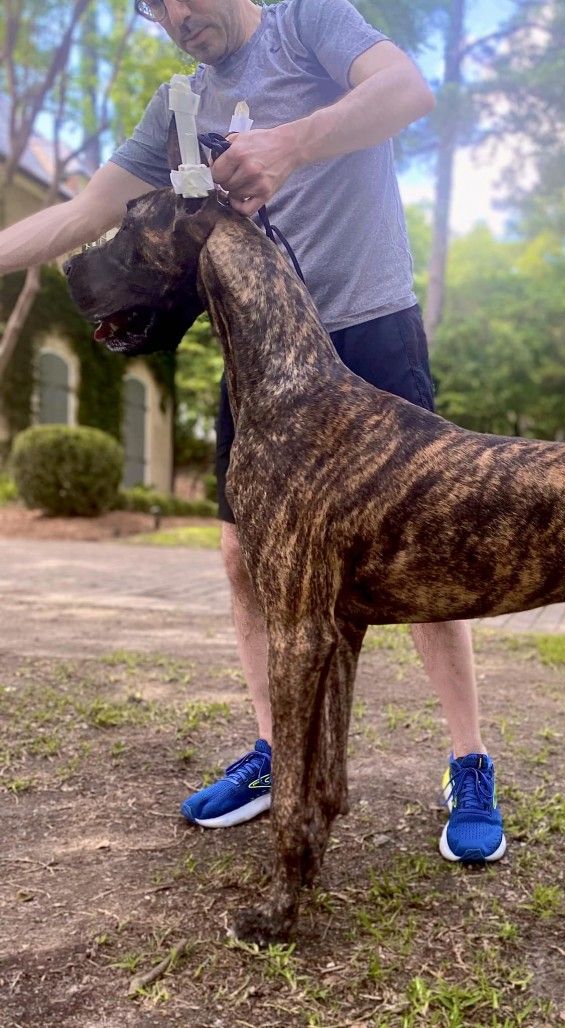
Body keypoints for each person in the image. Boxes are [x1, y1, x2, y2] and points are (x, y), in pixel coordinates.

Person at [0, 0, 506, 864]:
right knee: (243, 557)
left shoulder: (309, 23)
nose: (176, 15)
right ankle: (278, 751)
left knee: (420, 552)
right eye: (154, 4)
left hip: (368, 329)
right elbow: (86, 213)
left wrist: (292, 142)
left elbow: (408, 91)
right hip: (264, 359)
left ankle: (470, 761)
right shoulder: (177, 108)